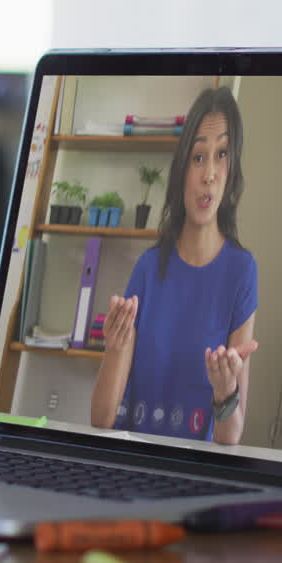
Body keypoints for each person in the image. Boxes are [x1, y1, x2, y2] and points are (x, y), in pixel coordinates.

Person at [90, 86, 258, 445]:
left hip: (194, 473)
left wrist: (226, 392)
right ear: (182, 169)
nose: (209, 173)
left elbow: (232, 437)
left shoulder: (242, 272)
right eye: (198, 157)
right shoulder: (148, 269)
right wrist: (115, 348)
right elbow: (101, 418)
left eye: (222, 154)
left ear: (231, 173)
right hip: (135, 466)